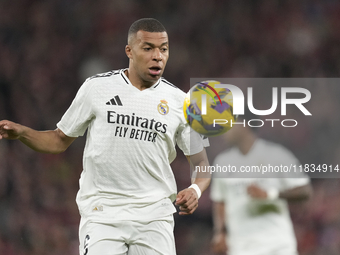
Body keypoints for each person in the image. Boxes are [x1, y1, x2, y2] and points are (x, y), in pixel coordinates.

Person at [0, 18, 211, 255]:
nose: (158, 56)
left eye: (163, 49)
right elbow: (59, 140)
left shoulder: (180, 101)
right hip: (103, 214)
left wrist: (196, 190)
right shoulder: (97, 88)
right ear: (129, 51)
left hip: (155, 217)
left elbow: (202, 163)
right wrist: (22, 133)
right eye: (148, 48)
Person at [210, 115, 312, 255]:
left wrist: (270, 194)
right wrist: (220, 232)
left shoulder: (276, 155)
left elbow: (305, 191)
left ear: (243, 124)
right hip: (240, 249)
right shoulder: (222, 162)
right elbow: (220, 201)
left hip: (277, 247)